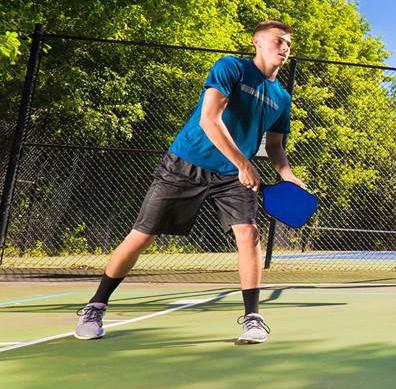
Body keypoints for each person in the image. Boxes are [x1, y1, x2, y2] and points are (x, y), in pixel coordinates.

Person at [73, 20, 304, 344]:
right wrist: (243, 163)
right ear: (256, 42)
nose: (285, 47)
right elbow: (210, 119)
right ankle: (95, 306)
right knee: (142, 236)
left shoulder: (281, 97)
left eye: (288, 44)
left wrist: (287, 174)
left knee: (248, 234)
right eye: (278, 40)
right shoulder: (231, 68)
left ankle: (252, 317)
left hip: (232, 177)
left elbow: (275, 146)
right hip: (186, 164)